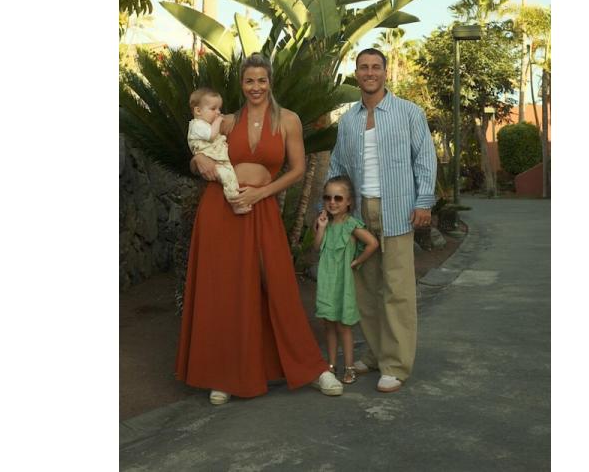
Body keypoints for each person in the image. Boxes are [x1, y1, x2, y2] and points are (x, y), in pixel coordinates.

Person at [177, 53, 344, 405]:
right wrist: (198, 160)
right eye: (249, 81)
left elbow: (296, 169)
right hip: (221, 211)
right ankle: (222, 374)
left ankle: (313, 368)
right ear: (242, 84)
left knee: (279, 283)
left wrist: (261, 193)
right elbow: (198, 149)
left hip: (261, 208)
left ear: (270, 82)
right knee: (223, 289)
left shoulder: (288, 120)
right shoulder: (226, 120)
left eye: (261, 80)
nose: (256, 87)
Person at [323, 48, 437, 393]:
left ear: (386, 73)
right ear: (355, 74)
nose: (369, 72)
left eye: (375, 67)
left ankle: (396, 364)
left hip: (398, 209)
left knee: (397, 289)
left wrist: (424, 202)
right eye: (363, 68)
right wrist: (328, 209)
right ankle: (374, 355)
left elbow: (425, 160)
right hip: (358, 214)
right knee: (366, 290)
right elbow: (337, 167)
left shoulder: (409, 113)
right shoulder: (347, 120)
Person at [313, 175, 379, 384]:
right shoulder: (325, 223)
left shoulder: (352, 225)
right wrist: (321, 228)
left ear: (349, 201)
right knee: (328, 324)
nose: (332, 202)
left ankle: (349, 366)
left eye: (338, 198)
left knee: (344, 326)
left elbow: (372, 243)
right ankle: (331, 365)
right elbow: (317, 247)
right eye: (328, 197)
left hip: (343, 283)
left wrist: (356, 261)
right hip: (326, 281)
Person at [186, 87, 249, 214]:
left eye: (219, 109)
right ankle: (235, 202)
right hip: (214, 161)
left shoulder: (205, 125)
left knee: (229, 176)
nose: (218, 112)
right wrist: (219, 120)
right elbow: (211, 135)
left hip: (218, 159)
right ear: (198, 110)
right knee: (228, 177)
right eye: (213, 109)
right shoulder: (197, 125)